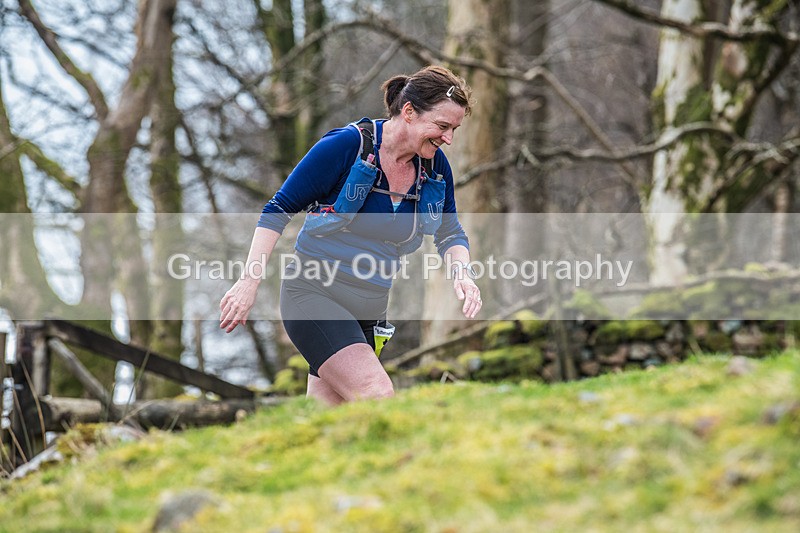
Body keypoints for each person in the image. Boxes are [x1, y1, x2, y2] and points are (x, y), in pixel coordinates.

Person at [219, 65, 482, 405]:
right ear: (409, 112)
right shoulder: (347, 145)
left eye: (454, 129)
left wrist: (463, 274)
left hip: (370, 310)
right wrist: (248, 282)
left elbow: (450, 232)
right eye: (442, 126)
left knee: (334, 418)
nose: (448, 138)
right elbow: (277, 208)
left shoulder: (433, 167)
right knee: (376, 394)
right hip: (315, 294)